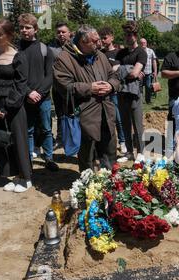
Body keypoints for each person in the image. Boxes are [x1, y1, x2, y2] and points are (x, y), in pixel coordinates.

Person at [53, 25, 121, 172]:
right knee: (87, 156)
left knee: (109, 153)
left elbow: (113, 76)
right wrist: (90, 88)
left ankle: (111, 185)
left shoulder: (100, 55)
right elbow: (63, 86)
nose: (99, 43)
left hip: (107, 114)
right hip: (85, 116)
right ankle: (88, 189)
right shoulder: (64, 59)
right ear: (82, 43)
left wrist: (111, 85)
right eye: (95, 41)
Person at [0, 18, 32, 193]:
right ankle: (13, 175)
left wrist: (6, 108)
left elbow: (21, 85)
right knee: (1, 140)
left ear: (9, 34)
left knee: (17, 141)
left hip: (14, 106)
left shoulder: (19, 56)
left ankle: (25, 178)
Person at [18, 14, 58, 172]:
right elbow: (15, 75)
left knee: (47, 129)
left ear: (35, 29)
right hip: (24, 97)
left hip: (44, 98)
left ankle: (49, 158)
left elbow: (50, 75)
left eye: (27, 27)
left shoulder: (44, 49)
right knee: (28, 130)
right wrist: (28, 92)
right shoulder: (16, 49)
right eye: (21, 27)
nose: (24, 30)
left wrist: (39, 93)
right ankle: (28, 160)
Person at [116, 21, 147, 160]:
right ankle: (129, 152)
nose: (128, 37)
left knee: (137, 124)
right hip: (122, 92)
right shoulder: (121, 53)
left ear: (135, 35)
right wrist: (128, 70)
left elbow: (135, 73)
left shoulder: (141, 52)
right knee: (125, 123)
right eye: (126, 35)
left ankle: (140, 152)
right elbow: (113, 71)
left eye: (130, 35)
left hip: (134, 93)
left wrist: (123, 69)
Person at [99, 26, 127, 155]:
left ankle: (122, 141)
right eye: (101, 38)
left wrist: (111, 70)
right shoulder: (100, 54)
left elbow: (117, 69)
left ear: (112, 38)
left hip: (114, 90)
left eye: (105, 38)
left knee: (118, 117)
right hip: (102, 89)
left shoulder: (117, 53)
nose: (103, 41)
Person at [49, 22, 72, 149]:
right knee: (59, 113)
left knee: (72, 113)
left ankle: (71, 138)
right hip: (57, 87)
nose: (61, 34)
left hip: (72, 86)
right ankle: (60, 138)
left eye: (63, 32)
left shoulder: (76, 47)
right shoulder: (51, 47)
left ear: (70, 33)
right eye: (58, 32)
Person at [139, 38, 157, 104]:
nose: (143, 44)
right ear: (139, 43)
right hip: (139, 73)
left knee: (148, 87)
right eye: (142, 43)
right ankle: (140, 101)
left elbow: (154, 61)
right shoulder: (137, 51)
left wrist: (155, 71)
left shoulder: (151, 51)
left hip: (148, 72)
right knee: (139, 87)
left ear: (146, 43)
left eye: (144, 42)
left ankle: (148, 101)